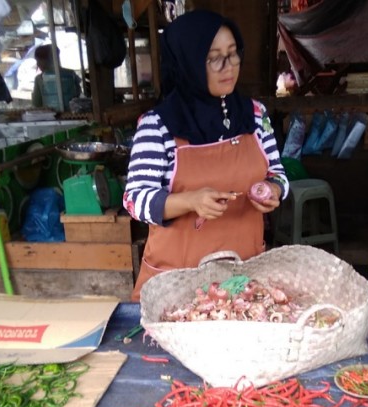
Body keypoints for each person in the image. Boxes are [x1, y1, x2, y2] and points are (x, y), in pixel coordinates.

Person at [123, 9, 289, 302]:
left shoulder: (255, 115)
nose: (229, 66)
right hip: (176, 286)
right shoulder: (158, 125)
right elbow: (134, 200)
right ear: (188, 62)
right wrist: (190, 201)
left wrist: (274, 189)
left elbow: (277, 173)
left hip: (241, 279)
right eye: (214, 58)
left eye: (233, 53)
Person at [31, 44, 81, 111]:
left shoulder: (40, 78)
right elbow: (78, 95)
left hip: (50, 116)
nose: (38, 64)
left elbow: (36, 103)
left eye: (39, 61)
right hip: (71, 114)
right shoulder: (71, 74)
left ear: (46, 60)